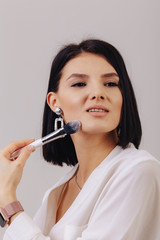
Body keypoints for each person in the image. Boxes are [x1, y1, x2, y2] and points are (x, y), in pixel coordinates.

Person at [0, 39, 160, 240]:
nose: (97, 93)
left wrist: (9, 204)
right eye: (79, 84)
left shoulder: (138, 170)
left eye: (110, 83)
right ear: (54, 102)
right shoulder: (56, 192)